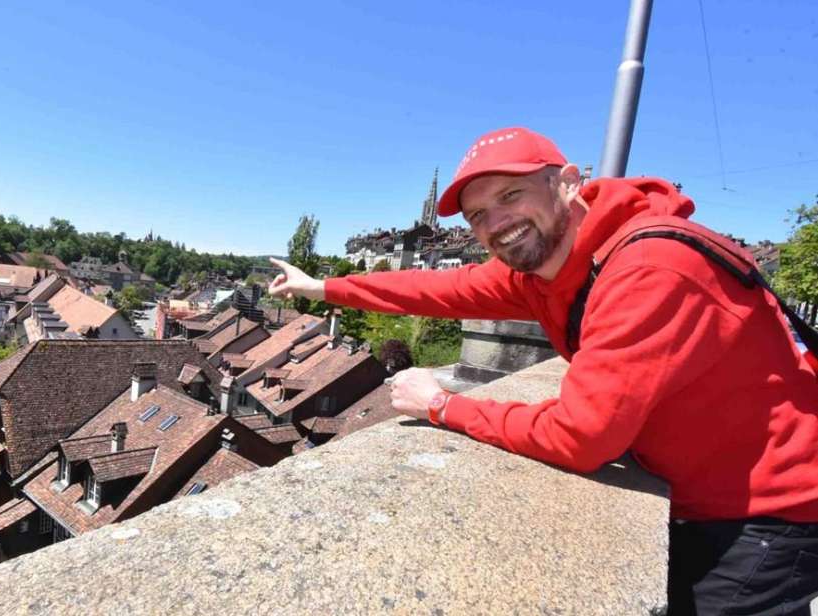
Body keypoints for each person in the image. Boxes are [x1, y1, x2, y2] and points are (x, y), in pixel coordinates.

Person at [268, 127, 818, 615]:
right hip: (702, 487)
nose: (496, 223)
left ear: (568, 183)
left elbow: (581, 437)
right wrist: (319, 286)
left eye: (511, 195)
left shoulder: (648, 269)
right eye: (479, 214)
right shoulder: (551, 270)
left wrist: (442, 406)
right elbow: (435, 288)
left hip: (770, 512)